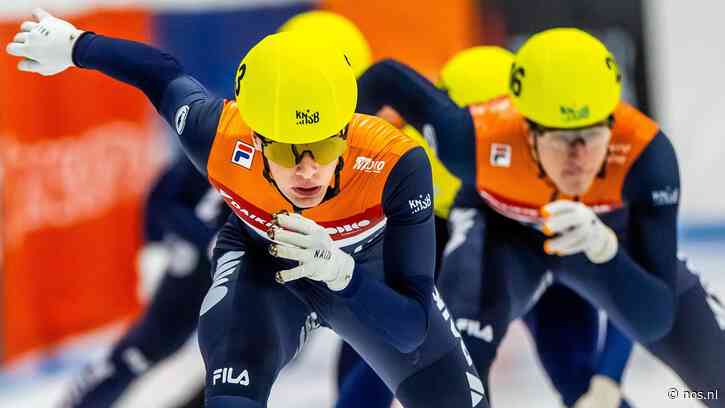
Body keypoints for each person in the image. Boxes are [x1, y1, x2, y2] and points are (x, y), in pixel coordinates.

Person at [7, 9, 488, 408]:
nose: (306, 171)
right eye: (284, 151)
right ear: (255, 140)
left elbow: (411, 330)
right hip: (264, 263)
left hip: (365, 269)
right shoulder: (216, 134)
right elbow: (160, 75)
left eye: (321, 148)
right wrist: (75, 45)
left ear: (347, 130)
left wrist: (344, 272)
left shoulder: (394, 163)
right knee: (220, 377)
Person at [356, 27, 725, 408]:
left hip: (602, 239)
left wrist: (606, 252)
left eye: (593, 136)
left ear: (613, 126)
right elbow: (384, 79)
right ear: (526, 129)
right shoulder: (470, 140)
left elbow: (654, 318)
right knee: (453, 380)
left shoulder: (646, 157)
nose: (578, 157)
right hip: (502, 234)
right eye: (562, 139)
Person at [60, 156, 228, 407]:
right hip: (199, 267)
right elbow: (163, 201)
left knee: (241, 366)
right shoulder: (222, 138)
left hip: (253, 270)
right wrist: (203, 240)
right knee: (142, 350)